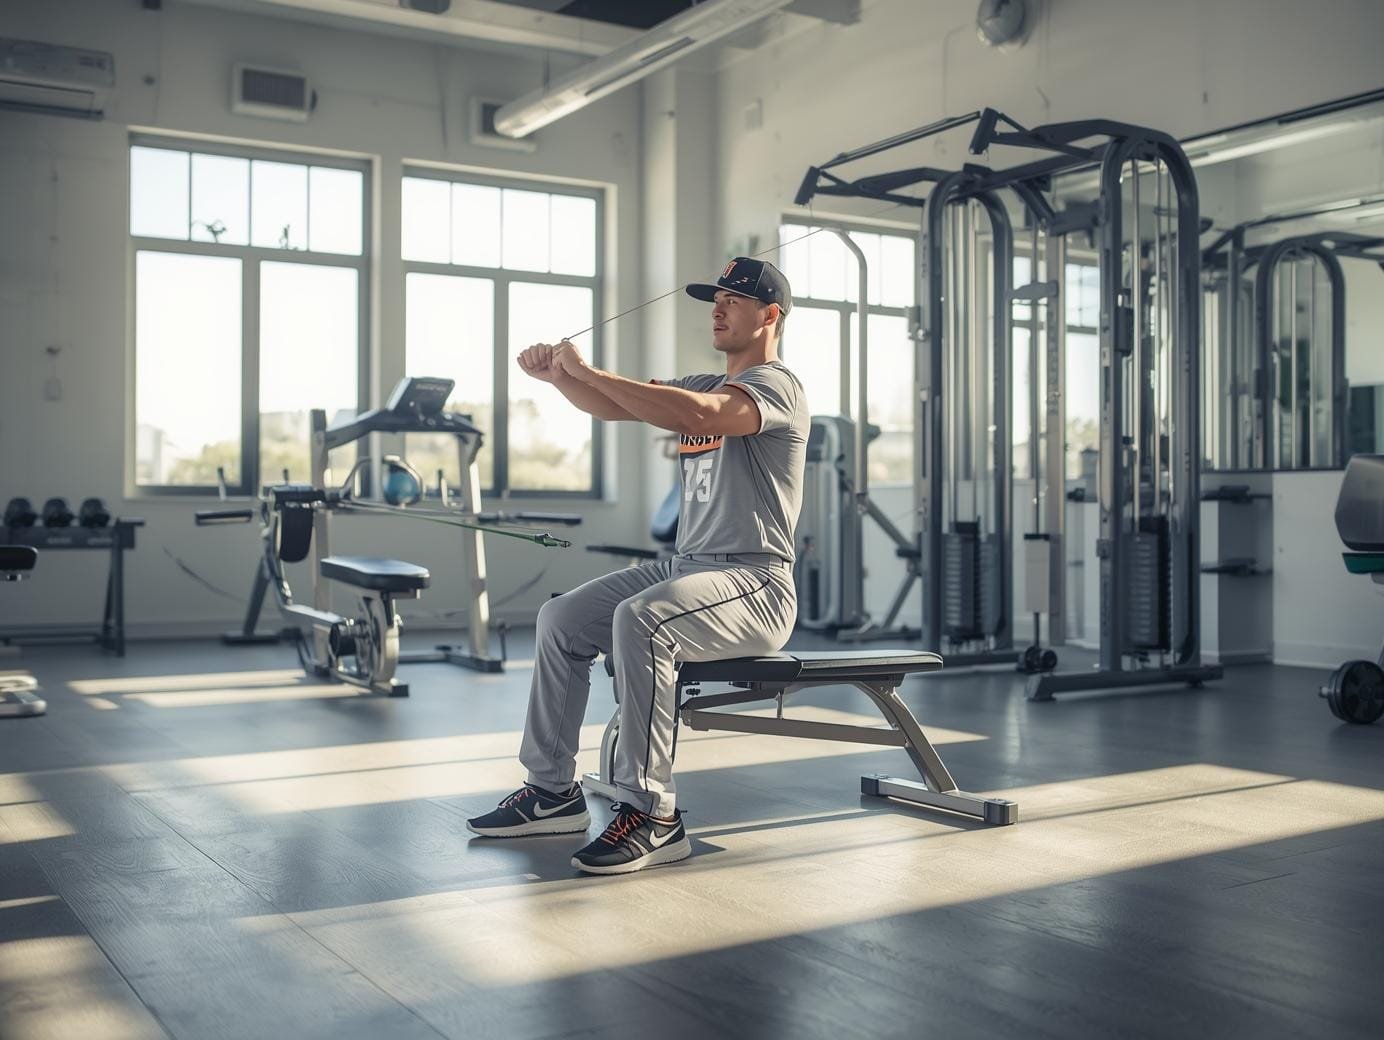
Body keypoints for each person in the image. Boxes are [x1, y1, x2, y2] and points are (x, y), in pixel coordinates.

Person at [467, 257, 808, 875]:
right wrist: (559, 379)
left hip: (754, 584)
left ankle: (652, 814)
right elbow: (611, 406)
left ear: (770, 315)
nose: (718, 307)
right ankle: (552, 794)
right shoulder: (703, 384)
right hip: (687, 568)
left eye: (733, 298)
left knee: (641, 619)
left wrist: (587, 369)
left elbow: (695, 416)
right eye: (715, 298)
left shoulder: (777, 386)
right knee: (562, 618)